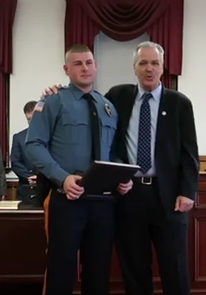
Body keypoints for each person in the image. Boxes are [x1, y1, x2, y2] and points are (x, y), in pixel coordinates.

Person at [44, 41, 199, 295]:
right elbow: (86, 103)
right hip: (129, 195)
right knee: (134, 270)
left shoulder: (179, 102)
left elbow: (189, 153)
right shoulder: (117, 97)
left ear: (163, 67)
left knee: (175, 268)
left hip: (170, 196)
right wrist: (56, 90)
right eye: (143, 63)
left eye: (154, 63)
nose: (149, 69)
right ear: (134, 68)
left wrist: (188, 191)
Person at [25, 44, 132, 295]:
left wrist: (121, 177)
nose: (85, 68)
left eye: (89, 62)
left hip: (103, 204)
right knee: (60, 272)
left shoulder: (107, 106)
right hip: (67, 200)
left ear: (95, 66)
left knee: (98, 274)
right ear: (66, 69)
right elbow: (34, 145)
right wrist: (62, 179)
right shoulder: (53, 101)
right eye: (77, 63)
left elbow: (112, 152)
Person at [11, 101, 37, 200]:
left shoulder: (51, 137)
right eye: (29, 119)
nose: (32, 123)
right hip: (25, 188)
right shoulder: (19, 137)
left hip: (47, 188)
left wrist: (41, 178)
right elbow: (15, 162)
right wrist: (29, 177)